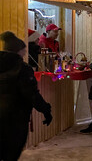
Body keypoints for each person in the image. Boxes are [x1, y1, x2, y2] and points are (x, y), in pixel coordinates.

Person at [0, 31, 52, 160]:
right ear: (18, 51)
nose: (24, 53)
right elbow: (32, 95)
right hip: (16, 118)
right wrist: (46, 110)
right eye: (23, 50)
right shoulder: (22, 69)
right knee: (11, 154)